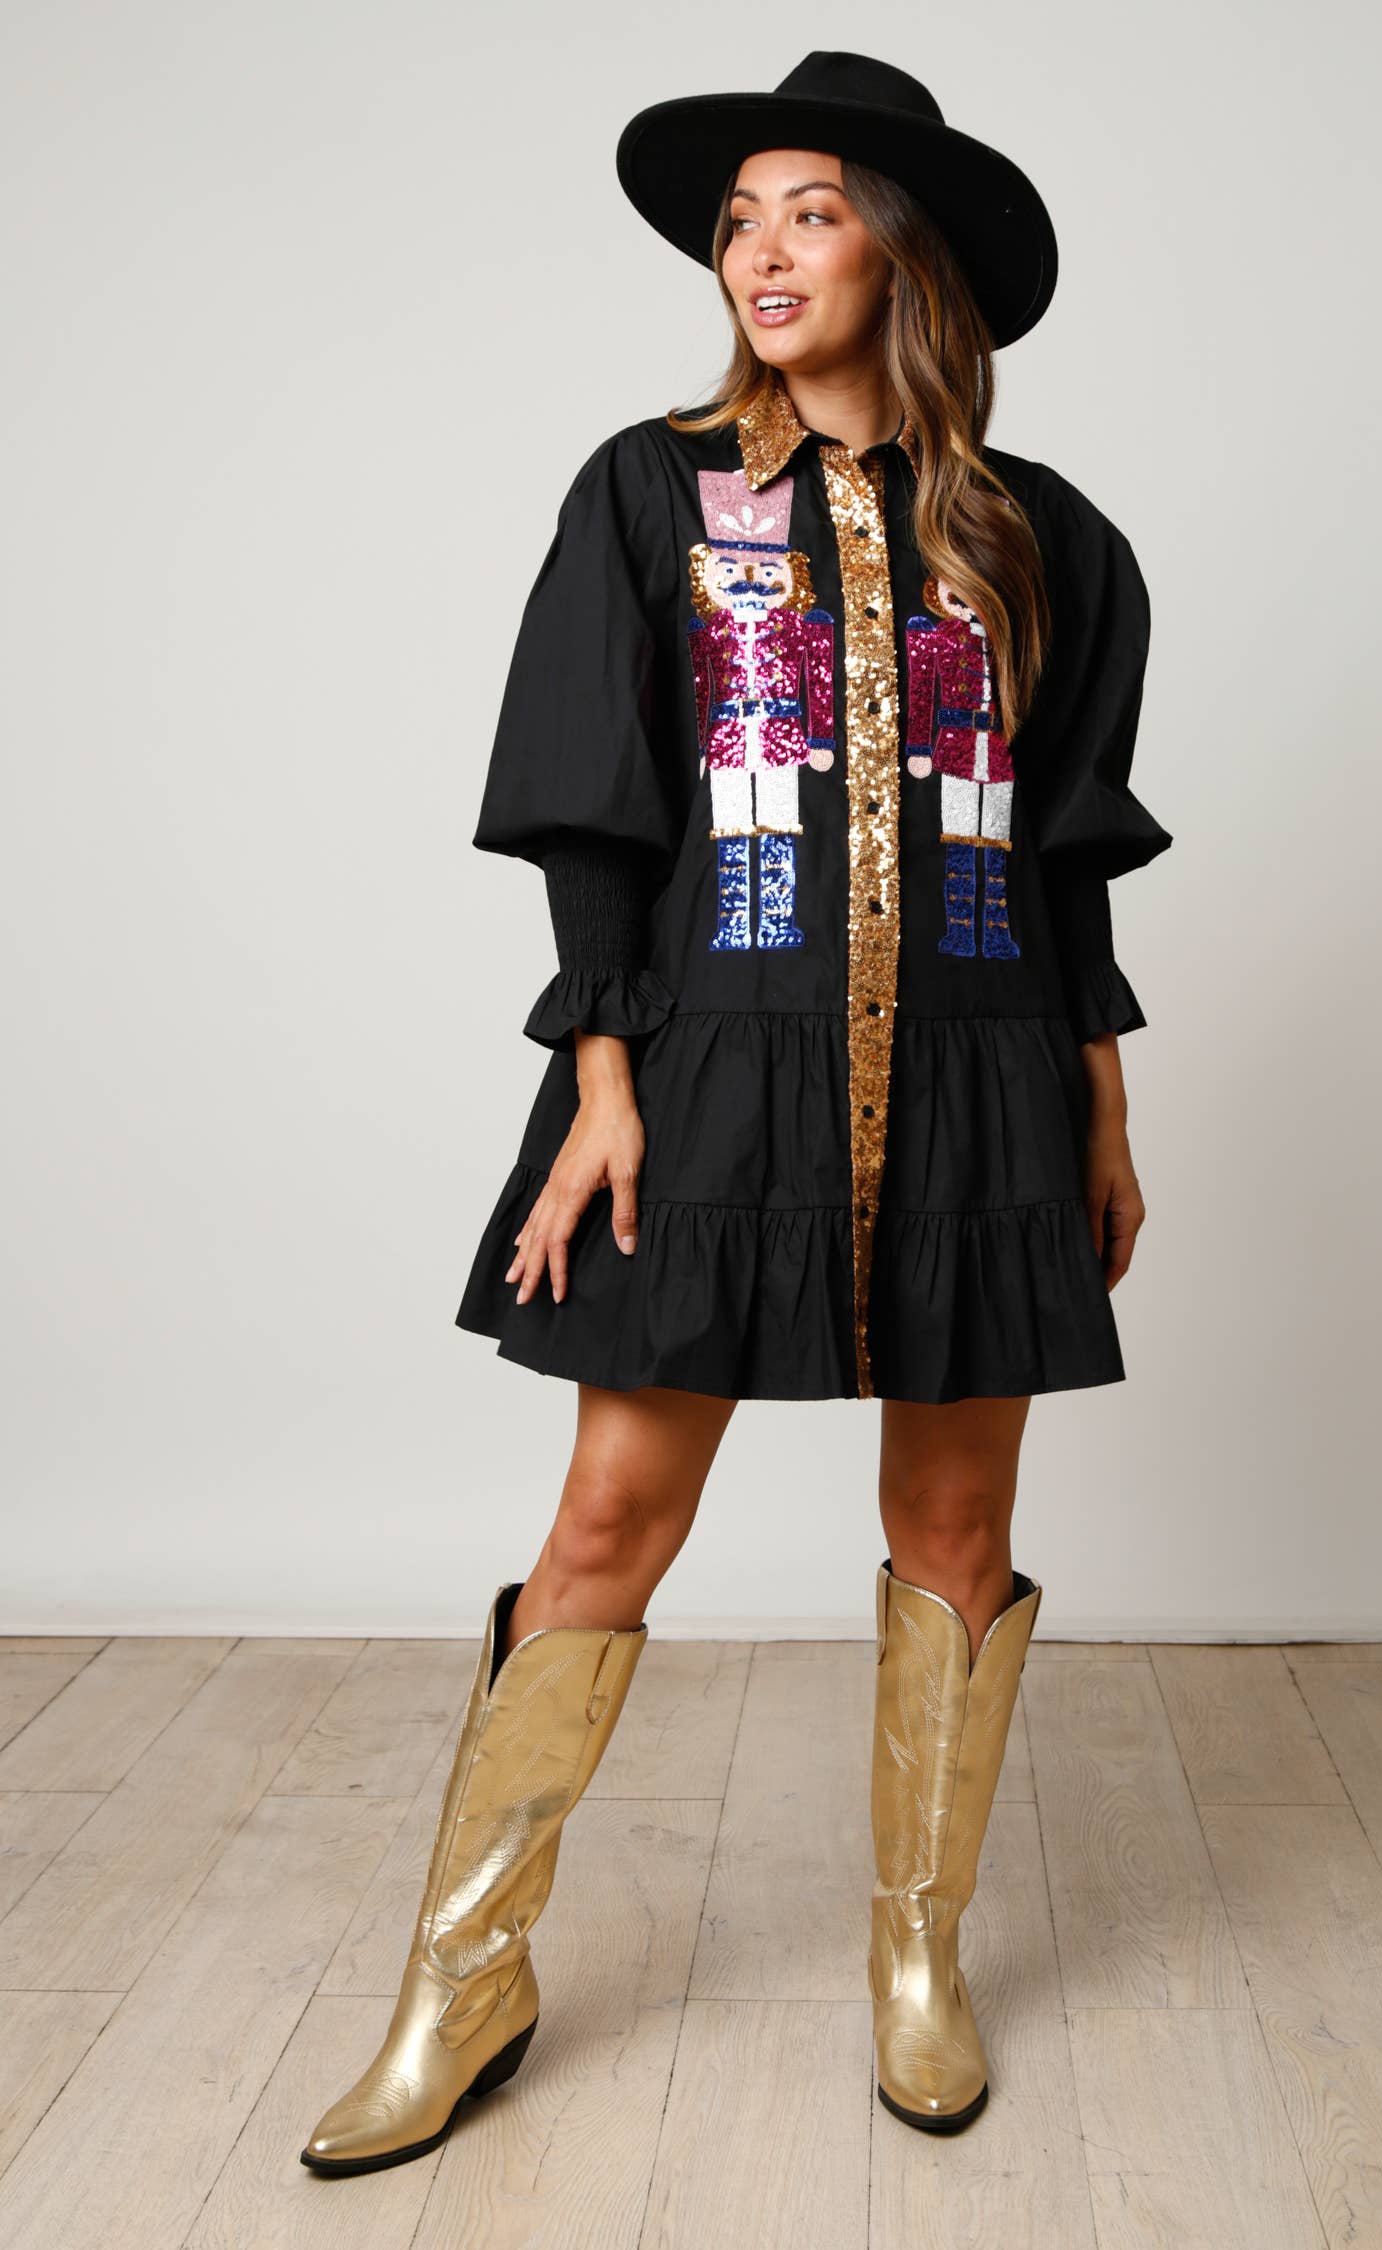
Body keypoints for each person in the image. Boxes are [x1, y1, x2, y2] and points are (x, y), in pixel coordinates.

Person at [300, 48, 1173, 2174]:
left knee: (955, 1531)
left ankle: (917, 1959)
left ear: (904, 251)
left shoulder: (1043, 537)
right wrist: (600, 1077)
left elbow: (1062, 857)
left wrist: (1101, 1105)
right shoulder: (653, 492)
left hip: (980, 1080)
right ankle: (461, 1981)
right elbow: (594, 804)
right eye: (737, 223)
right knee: (609, 1520)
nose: (760, 253)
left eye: (811, 211)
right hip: (705, 1062)